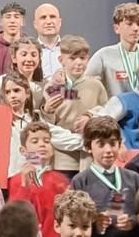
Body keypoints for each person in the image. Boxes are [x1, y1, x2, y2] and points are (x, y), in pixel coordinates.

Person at [71, 116, 139, 237]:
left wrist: (134, 221)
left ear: (120, 144)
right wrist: (94, 223)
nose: (108, 150)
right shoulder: (80, 182)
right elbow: (73, 222)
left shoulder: (134, 178)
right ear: (88, 147)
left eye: (112, 143)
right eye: (101, 144)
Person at [37, 36, 108, 173]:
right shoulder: (51, 87)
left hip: (90, 156)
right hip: (62, 157)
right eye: (72, 58)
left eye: (82, 58)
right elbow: (46, 125)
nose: (78, 63)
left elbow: (107, 113)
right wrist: (48, 112)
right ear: (61, 60)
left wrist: (91, 115)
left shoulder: (96, 86)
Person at [0, 74, 83, 180]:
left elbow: (62, 137)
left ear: (27, 93)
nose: (12, 95)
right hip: (8, 178)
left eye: (16, 90)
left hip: (33, 178)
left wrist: (90, 141)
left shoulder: (35, 120)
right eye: (7, 92)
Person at [6, 120, 73, 237]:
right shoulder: (16, 181)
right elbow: (14, 214)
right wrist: (24, 186)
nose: (42, 145)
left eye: (46, 141)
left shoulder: (61, 181)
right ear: (23, 151)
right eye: (35, 141)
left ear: (53, 149)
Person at [86, 2, 139, 100]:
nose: (135, 28)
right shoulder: (104, 56)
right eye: (129, 24)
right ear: (116, 28)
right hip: (116, 109)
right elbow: (87, 86)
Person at [33, 2, 64, 79]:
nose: (48, 22)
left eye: (52, 17)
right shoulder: (29, 52)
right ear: (35, 24)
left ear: (60, 22)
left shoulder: (70, 50)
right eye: (43, 17)